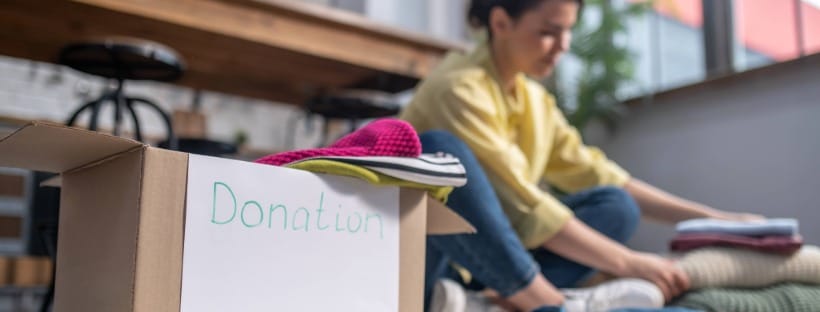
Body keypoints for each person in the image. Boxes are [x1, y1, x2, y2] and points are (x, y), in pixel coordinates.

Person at [400, 0, 764, 311]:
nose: (563, 45)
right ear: (500, 23)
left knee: (616, 205)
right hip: (430, 266)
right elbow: (525, 205)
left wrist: (717, 221)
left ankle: (492, 303)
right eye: (549, 32)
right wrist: (629, 262)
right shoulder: (458, 89)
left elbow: (601, 174)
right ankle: (549, 303)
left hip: (483, 274)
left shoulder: (534, 102)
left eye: (568, 31)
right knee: (440, 151)